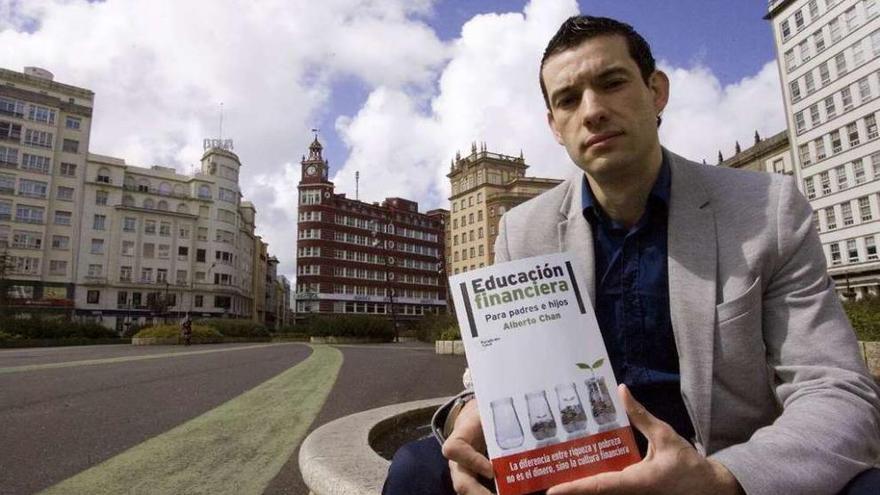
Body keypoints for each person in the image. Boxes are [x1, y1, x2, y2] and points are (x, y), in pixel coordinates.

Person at [384, 15, 880, 495]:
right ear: (555, 126)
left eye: (612, 82)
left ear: (656, 91)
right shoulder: (522, 230)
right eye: (568, 99)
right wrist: (471, 408)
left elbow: (835, 389)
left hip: (709, 468)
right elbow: (496, 369)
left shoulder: (767, 209)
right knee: (417, 470)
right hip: (569, 471)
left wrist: (724, 480)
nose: (592, 109)